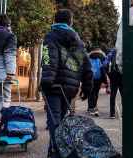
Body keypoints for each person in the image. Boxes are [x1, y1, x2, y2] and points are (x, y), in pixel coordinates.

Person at [40, 9, 93, 158]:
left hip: (54, 86)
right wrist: (87, 87)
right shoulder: (78, 41)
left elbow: (48, 58)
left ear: (55, 21)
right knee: (60, 121)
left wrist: (46, 81)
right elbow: (86, 65)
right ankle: (54, 150)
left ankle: (57, 152)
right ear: (70, 22)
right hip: (70, 88)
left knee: (54, 120)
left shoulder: (50, 36)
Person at [87, 47, 108, 117]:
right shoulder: (102, 56)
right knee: (96, 92)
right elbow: (103, 69)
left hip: (90, 77)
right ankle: (94, 106)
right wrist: (105, 80)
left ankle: (90, 107)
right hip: (98, 78)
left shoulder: (89, 57)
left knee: (90, 93)